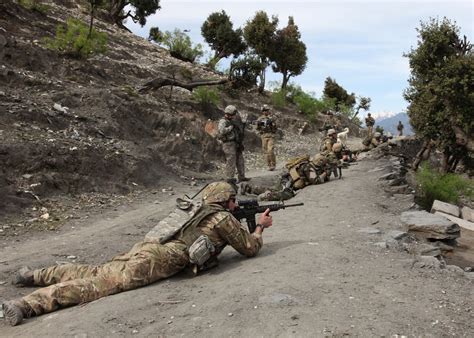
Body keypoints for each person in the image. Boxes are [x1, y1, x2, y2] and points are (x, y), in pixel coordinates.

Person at [1, 182, 273, 326]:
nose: (235, 204)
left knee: (96, 270)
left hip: (149, 247)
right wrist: (259, 227)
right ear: (224, 200)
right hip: (159, 259)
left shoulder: (198, 210)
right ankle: (26, 305)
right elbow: (249, 248)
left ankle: (33, 275)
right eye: (233, 199)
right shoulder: (222, 218)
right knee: (98, 285)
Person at [217, 105, 249, 182]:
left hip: (235, 143)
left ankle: (242, 176)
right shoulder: (223, 121)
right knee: (231, 160)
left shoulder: (232, 121)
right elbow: (221, 131)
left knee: (240, 160)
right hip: (228, 144)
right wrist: (229, 128)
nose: (234, 116)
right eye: (233, 114)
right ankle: (229, 178)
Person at [256, 104, 277, 171]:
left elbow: (275, 128)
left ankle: (273, 164)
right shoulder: (260, 119)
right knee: (266, 152)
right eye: (265, 110)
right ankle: (269, 165)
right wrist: (261, 127)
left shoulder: (271, 118)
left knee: (270, 150)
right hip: (264, 136)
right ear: (263, 111)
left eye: (267, 110)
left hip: (270, 136)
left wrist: (272, 124)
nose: (267, 112)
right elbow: (257, 128)